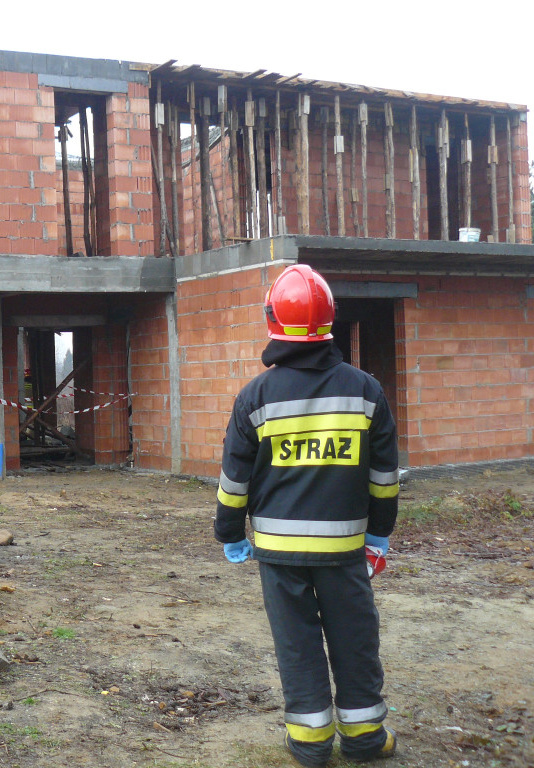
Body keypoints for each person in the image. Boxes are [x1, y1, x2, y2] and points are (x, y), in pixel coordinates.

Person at [214, 264, 399, 767]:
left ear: (272, 319)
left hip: (279, 554)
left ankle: (310, 742)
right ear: (330, 320)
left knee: (297, 644)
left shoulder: (254, 397)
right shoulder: (365, 391)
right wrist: (379, 535)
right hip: (345, 551)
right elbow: (384, 477)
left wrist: (229, 533)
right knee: (355, 639)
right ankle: (364, 738)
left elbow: (235, 483)